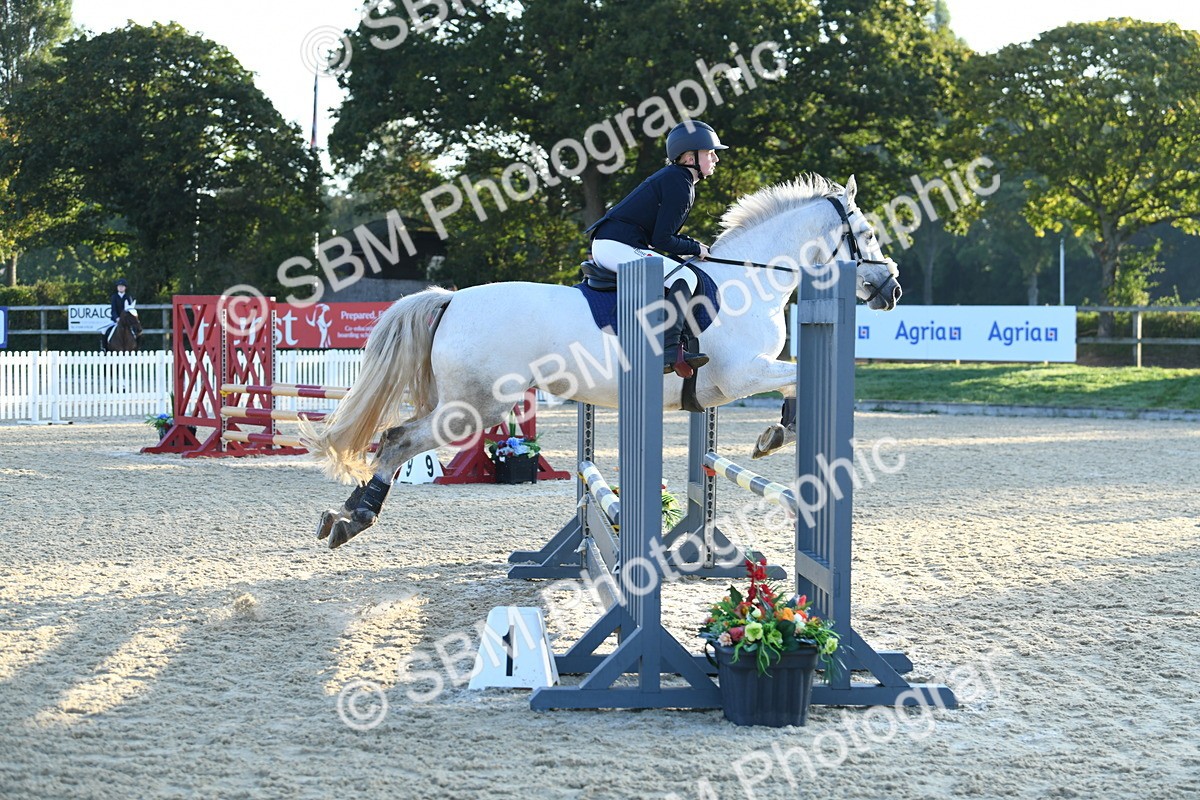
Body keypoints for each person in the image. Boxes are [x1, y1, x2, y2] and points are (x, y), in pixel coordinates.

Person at [586, 120, 728, 375]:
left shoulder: (677, 179)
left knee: (680, 271)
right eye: (710, 153)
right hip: (616, 245)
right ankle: (670, 349)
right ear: (689, 157)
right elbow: (662, 240)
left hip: (614, 243)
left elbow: (661, 237)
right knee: (684, 276)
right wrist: (694, 248)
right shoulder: (680, 183)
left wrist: (691, 247)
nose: (716, 158)